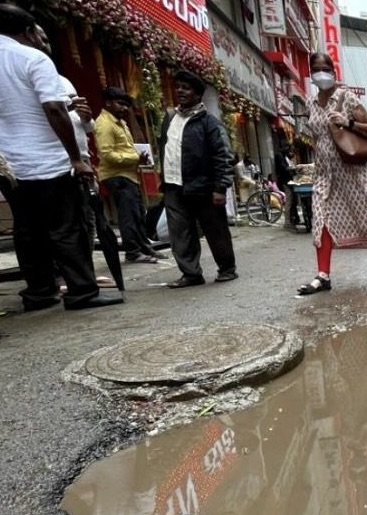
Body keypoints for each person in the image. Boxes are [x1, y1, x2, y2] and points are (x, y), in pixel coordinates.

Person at [0, 5, 122, 311]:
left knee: (28, 231)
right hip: (46, 162)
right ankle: (82, 291)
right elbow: (53, 108)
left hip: (10, 166)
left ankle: (40, 292)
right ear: (27, 31)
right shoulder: (33, 58)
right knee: (66, 228)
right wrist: (76, 158)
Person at [297, 52, 367, 295]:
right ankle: (323, 275)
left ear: (334, 71)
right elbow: (316, 138)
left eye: (325, 68)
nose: (321, 73)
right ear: (311, 73)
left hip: (352, 172)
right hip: (325, 174)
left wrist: (348, 122)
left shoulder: (346, 97)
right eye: (316, 69)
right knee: (320, 221)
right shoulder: (310, 104)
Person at [157, 69, 237, 288]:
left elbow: (223, 156)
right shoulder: (170, 119)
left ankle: (227, 268)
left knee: (215, 229)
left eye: (187, 88)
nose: (181, 91)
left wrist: (220, 187)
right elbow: (164, 149)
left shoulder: (209, 123)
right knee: (180, 233)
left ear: (197, 94)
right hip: (174, 186)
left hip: (203, 186)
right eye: (178, 87)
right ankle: (191, 273)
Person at [95, 86, 166, 264]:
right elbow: (107, 154)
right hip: (117, 176)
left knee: (137, 214)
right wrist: (135, 158)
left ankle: (143, 247)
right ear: (108, 103)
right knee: (128, 215)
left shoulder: (120, 122)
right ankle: (132, 251)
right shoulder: (104, 124)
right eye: (120, 104)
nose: (124, 108)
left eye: (126, 105)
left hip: (128, 175)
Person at [275, 144, 299, 231]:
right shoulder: (279, 156)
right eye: (288, 149)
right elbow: (283, 168)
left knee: (293, 200)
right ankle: (287, 222)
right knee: (289, 201)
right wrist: (292, 169)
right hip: (285, 181)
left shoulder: (285, 157)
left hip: (289, 181)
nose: (289, 151)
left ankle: (293, 219)